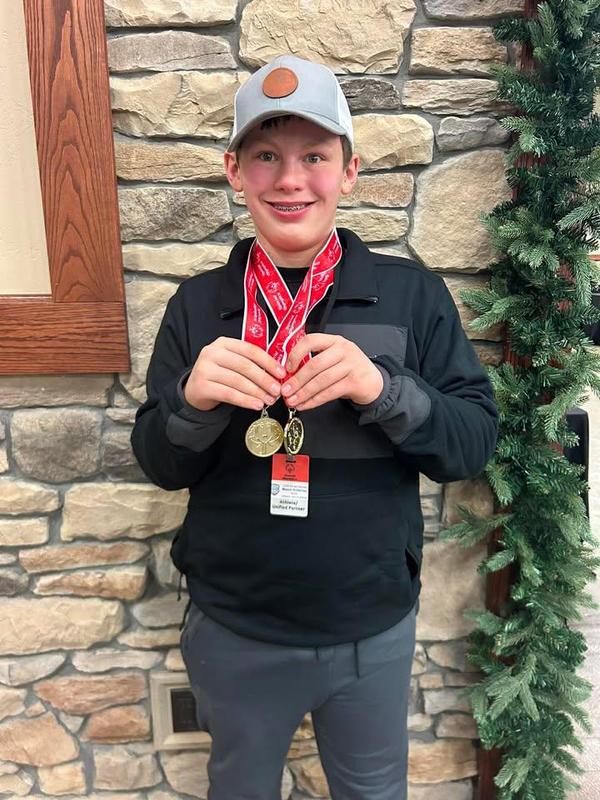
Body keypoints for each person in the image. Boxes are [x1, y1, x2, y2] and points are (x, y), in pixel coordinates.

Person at [131, 54, 499, 800]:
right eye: (266, 155)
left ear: (350, 170)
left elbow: (471, 444)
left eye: (314, 156)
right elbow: (159, 463)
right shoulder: (199, 306)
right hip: (234, 628)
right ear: (235, 171)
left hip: (371, 630)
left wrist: (385, 389)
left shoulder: (412, 295)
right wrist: (191, 404)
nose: (290, 179)